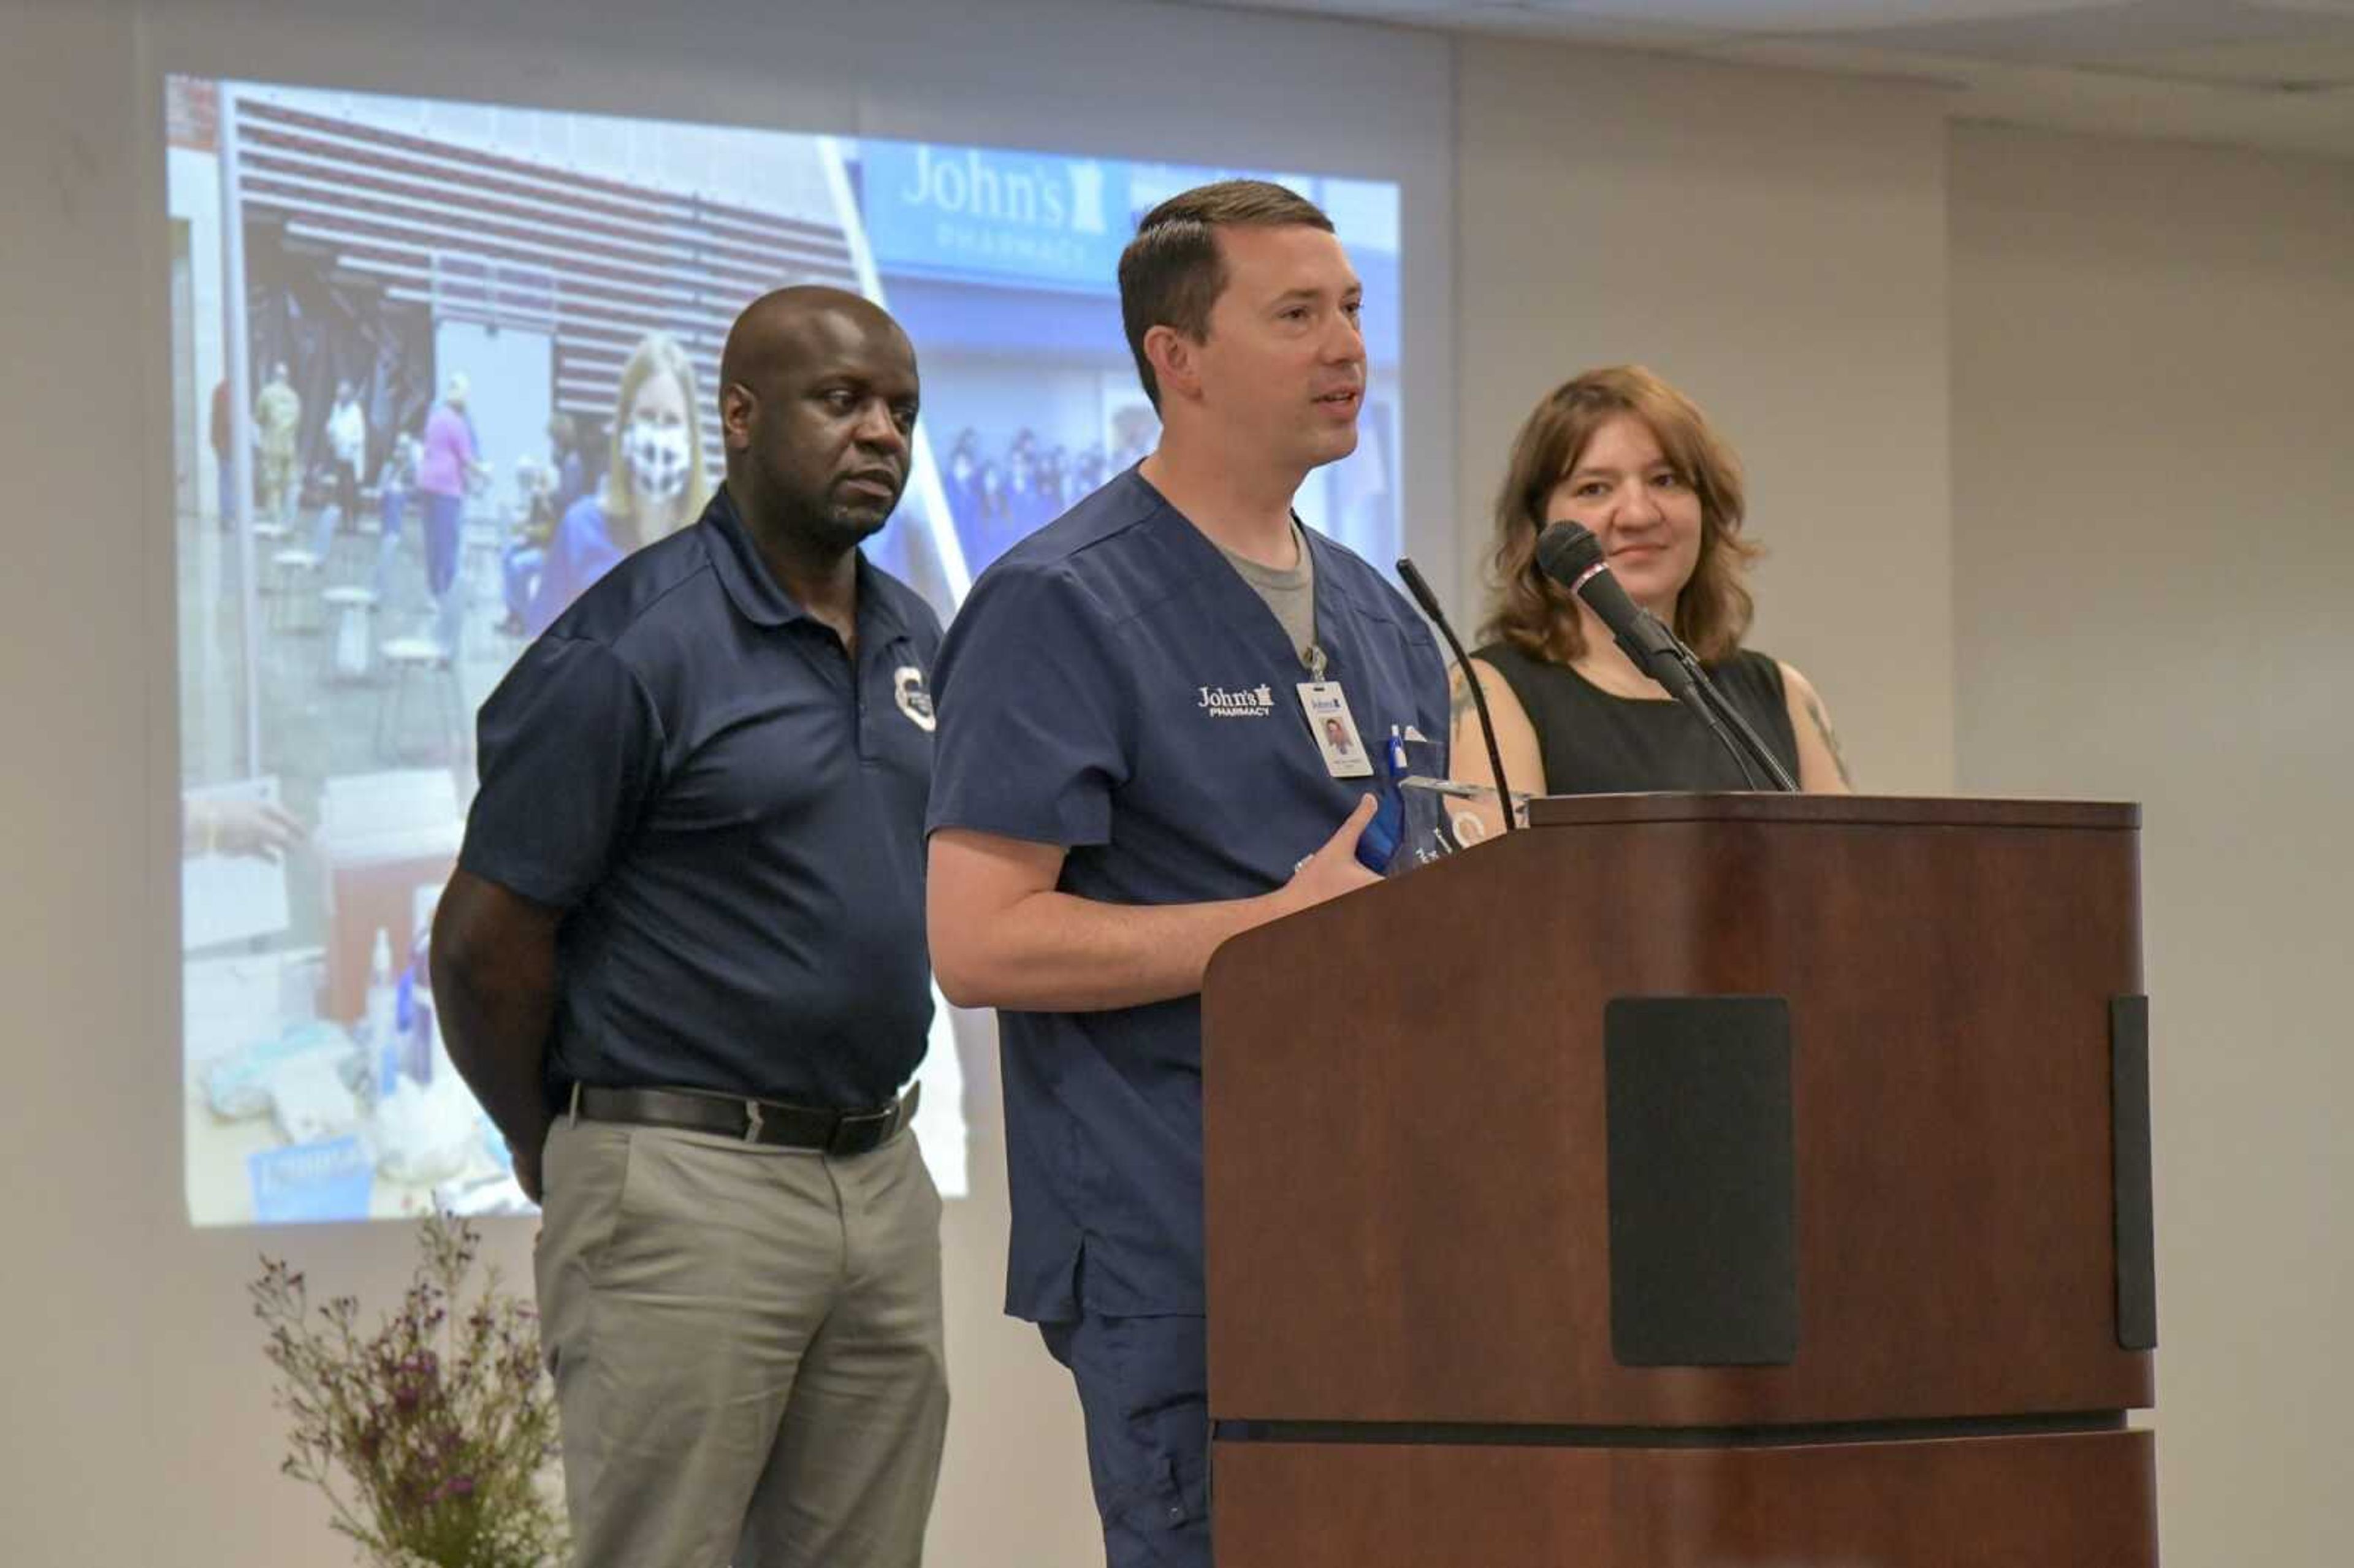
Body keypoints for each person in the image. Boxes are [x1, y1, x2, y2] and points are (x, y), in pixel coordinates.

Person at [924, 180, 1450, 1568]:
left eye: (1350, 308)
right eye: (1294, 315)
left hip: (1389, 1235)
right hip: (1184, 1244)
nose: (1344, 345)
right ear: (1178, 359)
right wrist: (1270, 932)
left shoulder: (1383, 614)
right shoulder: (1062, 601)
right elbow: (978, 943)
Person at [430, 286, 948, 1568]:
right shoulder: (631, 648)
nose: (880, 432)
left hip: (883, 1177)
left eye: (900, 409)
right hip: (683, 1186)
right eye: (842, 401)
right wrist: (551, 1139)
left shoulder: (922, 640)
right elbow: (483, 944)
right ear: (741, 416)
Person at [1451, 365, 1853, 799]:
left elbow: (1847, 865)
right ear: (1538, 523)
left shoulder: (1784, 694)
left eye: (1665, 480)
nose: (1639, 515)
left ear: (1708, 508)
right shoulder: (1488, 692)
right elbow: (1503, 869)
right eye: (1595, 488)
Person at [525, 333, 712, 634]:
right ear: (625, 427)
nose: (658, 435)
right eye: (648, 416)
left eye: (672, 421)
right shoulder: (579, 531)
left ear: (691, 437)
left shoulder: (718, 549)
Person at [414, 373, 484, 658]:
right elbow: (467, 460)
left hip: (426, 484)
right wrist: (485, 474)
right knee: (449, 542)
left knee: (432, 540)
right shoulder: (458, 424)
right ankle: (447, 597)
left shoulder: (434, 418)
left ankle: (434, 593)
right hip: (447, 489)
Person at [254, 362, 302, 526]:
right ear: (287, 377)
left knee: (273, 483)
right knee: (289, 482)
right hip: (289, 446)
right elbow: (297, 421)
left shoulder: (266, 393)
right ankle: (290, 519)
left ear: (274, 375)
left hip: (272, 445)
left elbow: (259, 417)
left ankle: (276, 519)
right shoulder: (293, 396)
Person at [324, 379, 367, 530]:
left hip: (352, 458)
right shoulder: (336, 408)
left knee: (353, 492)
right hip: (340, 457)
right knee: (342, 491)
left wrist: (348, 444)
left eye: (343, 395)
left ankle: (354, 523)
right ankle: (344, 522)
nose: (340, 398)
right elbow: (331, 425)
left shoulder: (356, 411)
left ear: (349, 396)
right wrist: (330, 434)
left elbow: (360, 437)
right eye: (338, 395)